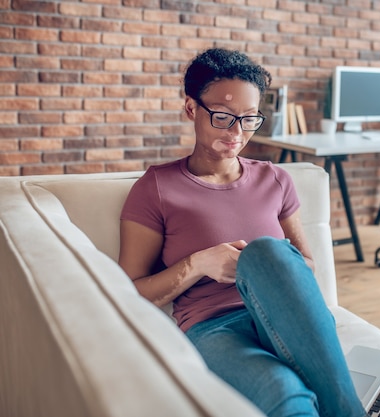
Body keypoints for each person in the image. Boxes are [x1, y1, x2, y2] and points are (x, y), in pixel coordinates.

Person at [118, 47, 366, 417]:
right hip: (215, 329)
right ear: (191, 109)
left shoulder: (276, 179)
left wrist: (263, 266)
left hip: (287, 315)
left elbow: (307, 267)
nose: (237, 133)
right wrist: (199, 263)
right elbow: (128, 292)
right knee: (286, 397)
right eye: (223, 116)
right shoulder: (156, 187)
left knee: (268, 252)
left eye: (249, 119)